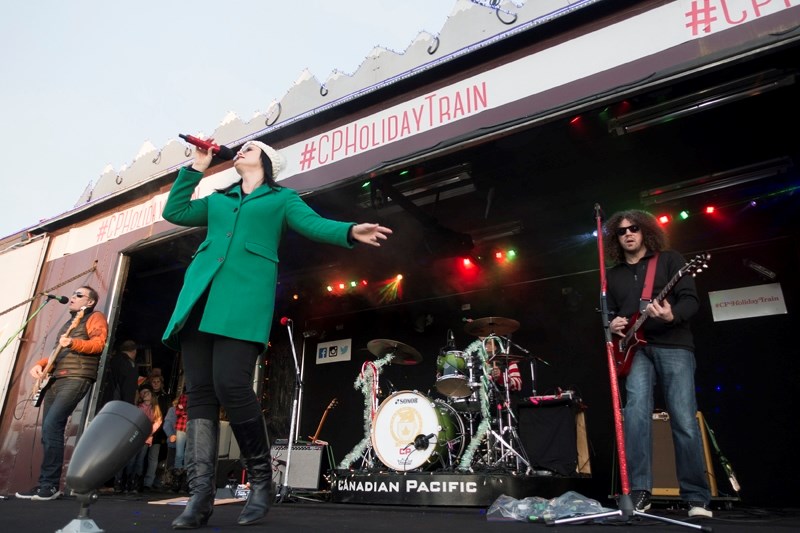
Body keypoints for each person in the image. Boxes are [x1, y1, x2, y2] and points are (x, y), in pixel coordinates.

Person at [161, 139, 392, 528]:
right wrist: (196, 168)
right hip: (199, 299)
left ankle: (261, 481)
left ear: (267, 160)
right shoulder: (219, 199)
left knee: (231, 385)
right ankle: (199, 496)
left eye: (250, 148)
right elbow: (176, 211)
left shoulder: (281, 199)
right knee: (199, 393)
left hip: (244, 301)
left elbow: (314, 224)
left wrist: (350, 231)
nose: (240, 151)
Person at [604, 209, 712, 518]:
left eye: (634, 228)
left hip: (674, 345)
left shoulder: (670, 260)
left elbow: (690, 300)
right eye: (622, 230)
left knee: (683, 419)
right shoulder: (612, 275)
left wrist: (671, 315)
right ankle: (640, 490)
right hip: (634, 351)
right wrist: (613, 324)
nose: (628, 233)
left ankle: (696, 497)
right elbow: (608, 313)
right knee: (635, 416)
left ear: (645, 231)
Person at [16, 286, 108, 501]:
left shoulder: (95, 317)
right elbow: (58, 354)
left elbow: (98, 344)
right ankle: (45, 484)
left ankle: (49, 485)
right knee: (48, 431)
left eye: (79, 295)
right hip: (57, 378)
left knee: (52, 426)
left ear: (90, 302)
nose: (73, 298)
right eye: (74, 294)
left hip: (76, 378)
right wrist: (39, 365)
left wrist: (74, 342)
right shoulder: (69, 323)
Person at [124, 382, 163, 494]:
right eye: (143, 393)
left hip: (146, 437)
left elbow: (158, 421)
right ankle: (128, 483)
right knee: (132, 460)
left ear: (152, 395)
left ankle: (136, 484)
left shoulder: (155, 408)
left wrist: (149, 432)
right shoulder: (138, 407)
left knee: (140, 461)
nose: (145, 395)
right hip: (136, 435)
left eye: (147, 392)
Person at [142, 369, 172, 491]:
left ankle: (148, 483)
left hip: (158, 432)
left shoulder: (165, 397)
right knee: (142, 457)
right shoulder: (147, 395)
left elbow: (166, 413)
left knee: (153, 458)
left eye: (157, 381)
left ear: (161, 383)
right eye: (153, 381)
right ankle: (140, 479)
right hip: (145, 430)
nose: (155, 383)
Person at [163, 392, 188, 493]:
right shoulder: (173, 410)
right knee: (175, 459)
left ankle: (184, 483)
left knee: (186, 457)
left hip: (186, 436)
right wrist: (170, 435)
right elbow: (167, 424)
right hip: (175, 439)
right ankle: (173, 483)